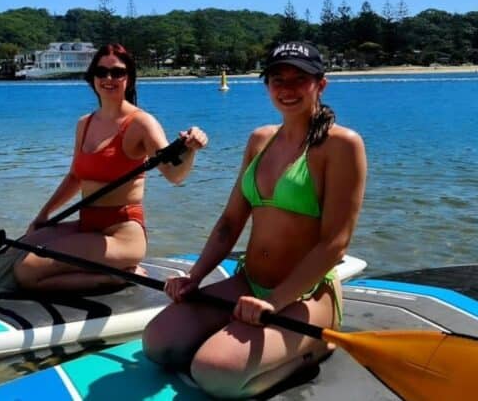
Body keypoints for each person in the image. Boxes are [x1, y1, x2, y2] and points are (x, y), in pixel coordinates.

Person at [142, 41, 367, 398]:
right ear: (267, 86)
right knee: (158, 343)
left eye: (300, 79)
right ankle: (249, 345)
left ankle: (315, 348)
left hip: (305, 296)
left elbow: (335, 244)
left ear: (320, 85)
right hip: (248, 284)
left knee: (213, 374)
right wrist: (193, 278)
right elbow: (230, 222)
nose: (287, 89)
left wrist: (275, 303)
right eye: (278, 79)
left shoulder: (342, 145)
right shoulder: (259, 139)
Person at [8, 43, 208, 292]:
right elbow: (74, 176)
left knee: (25, 271)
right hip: (87, 225)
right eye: (101, 72)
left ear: (130, 78)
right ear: (92, 78)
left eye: (118, 72)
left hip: (121, 236)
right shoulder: (85, 123)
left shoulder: (141, 123)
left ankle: (116, 276)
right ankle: (94, 265)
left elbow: (174, 174)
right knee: (16, 251)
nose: (108, 78)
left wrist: (190, 150)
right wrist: (42, 216)